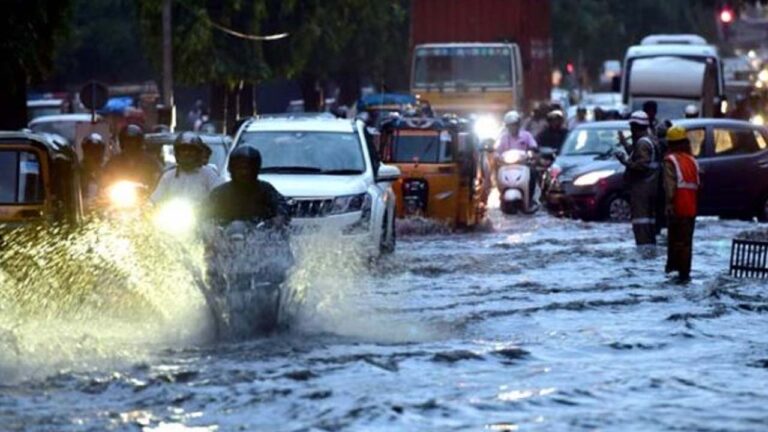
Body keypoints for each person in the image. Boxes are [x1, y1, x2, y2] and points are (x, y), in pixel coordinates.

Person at [204, 146, 290, 226]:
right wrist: (209, 225)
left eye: (248, 168)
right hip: (225, 239)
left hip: (260, 238)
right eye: (239, 168)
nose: (244, 172)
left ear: (256, 169)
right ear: (231, 168)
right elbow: (203, 212)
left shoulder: (266, 190)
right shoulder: (220, 193)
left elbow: (282, 205)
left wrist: (279, 218)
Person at [615, 111, 660, 247]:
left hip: (642, 190)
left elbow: (641, 165)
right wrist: (625, 144)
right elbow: (639, 156)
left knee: (641, 223)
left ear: (635, 127)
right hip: (651, 187)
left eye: (632, 127)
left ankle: (643, 251)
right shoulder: (650, 140)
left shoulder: (643, 143)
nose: (630, 130)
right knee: (649, 223)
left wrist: (624, 161)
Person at [662, 126, 700, 282]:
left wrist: (669, 204)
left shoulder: (670, 161)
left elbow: (670, 186)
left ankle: (677, 274)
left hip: (678, 206)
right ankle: (685, 272)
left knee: (676, 241)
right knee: (686, 243)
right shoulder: (692, 160)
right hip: (691, 206)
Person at [150, 132, 222, 204]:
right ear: (177, 153)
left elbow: (219, 197)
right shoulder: (168, 176)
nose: (187, 153)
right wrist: (149, 206)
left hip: (204, 214)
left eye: (191, 150)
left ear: (198, 153)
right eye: (183, 150)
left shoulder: (209, 174)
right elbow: (155, 199)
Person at [102, 124, 163, 189]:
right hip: (116, 197)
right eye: (127, 140)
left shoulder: (151, 163)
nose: (130, 144)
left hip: (145, 197)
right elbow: (105, 182)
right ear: (122, 142)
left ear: (139, 142)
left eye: (133, 141)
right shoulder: (113, 162)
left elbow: (159, 180)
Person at [80, 133, 106, 202]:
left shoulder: (108, 169)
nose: (94, 154)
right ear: (85, 151)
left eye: (97, 150)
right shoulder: (77, 171)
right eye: (91, 150)